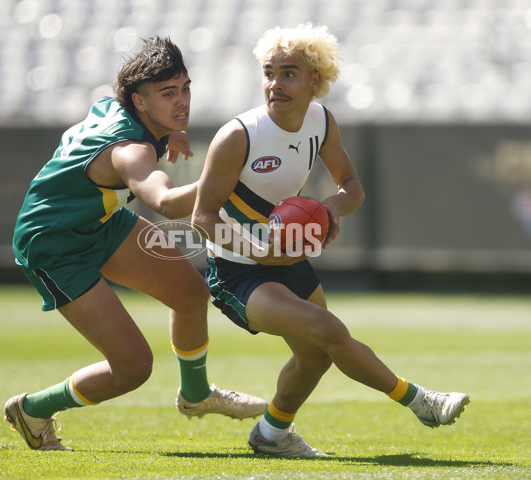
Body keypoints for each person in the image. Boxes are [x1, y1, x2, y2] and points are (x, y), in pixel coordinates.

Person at [191, 23, 470, 458]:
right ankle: (422, 401)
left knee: (316, 356)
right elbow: (201, 216)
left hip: (287, 257)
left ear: (315, 81)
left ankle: (271, 435)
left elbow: (352, 186)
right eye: (269, 72)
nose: (275, 83)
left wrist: (330, 209)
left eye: (289, 73)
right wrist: (259, 250)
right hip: (235, 270)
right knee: (328, 330)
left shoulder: (321, 121)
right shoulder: (238, 135)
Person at [3, 36, 267, 451]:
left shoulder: (120, 107)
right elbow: (163, 201)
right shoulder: (130, 150)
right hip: (53, 244)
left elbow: (120, 123)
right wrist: (226, 176)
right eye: (168, 93)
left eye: (185, 88)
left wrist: (170, 134)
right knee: (133, 369)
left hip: (99, 221)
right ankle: (32, 409)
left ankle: (195, 395)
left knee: (190, 294)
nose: (182, 101)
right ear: (139, 102)